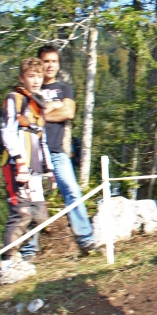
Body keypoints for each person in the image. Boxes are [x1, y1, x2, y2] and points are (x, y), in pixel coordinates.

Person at [0, 58, 54, 286]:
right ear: (22, 78)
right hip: (17, 165)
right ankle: (7, 263)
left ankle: (18, 254)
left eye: (39, 76)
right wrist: (19, 160)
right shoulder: (15, 99)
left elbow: (42, 138)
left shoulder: (39, 104)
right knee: (21, 213)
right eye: (31, 76)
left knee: (40, 215)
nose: (36, 80)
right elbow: (7, 132)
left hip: (36, 166)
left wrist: (49, 169)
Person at [37, 45, 97, 254]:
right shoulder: (32, 87)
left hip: (56, 150)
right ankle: (28, 250)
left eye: (54, 61)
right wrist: (54, 107)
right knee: (32, 199)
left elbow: (69, 113)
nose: (50, 65)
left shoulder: (64, 89)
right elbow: (26, 116)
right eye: (46, 61)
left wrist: (41, 115)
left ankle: (86, 239)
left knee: (72, 190)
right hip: (33, 151)